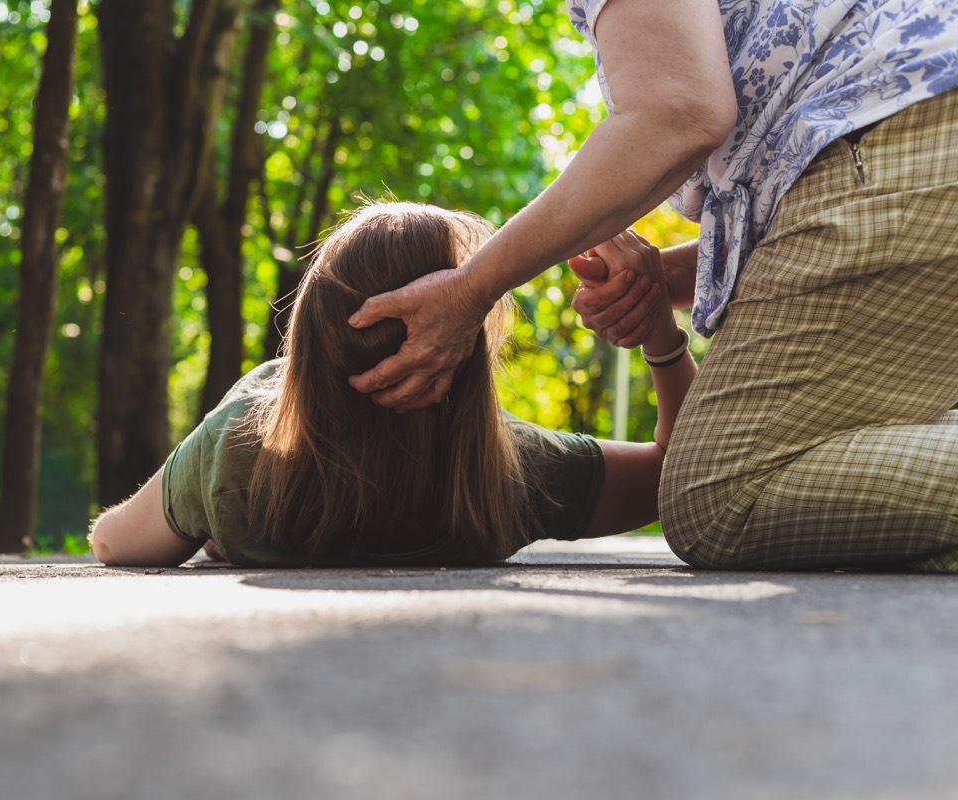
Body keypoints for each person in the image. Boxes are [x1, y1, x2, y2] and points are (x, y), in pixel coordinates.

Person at [345, 1, 958, 572]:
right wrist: (661, 287)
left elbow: (679, 111)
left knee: (718, 499)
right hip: (917, 122)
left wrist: (473, 288)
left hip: (903, 127)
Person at [89, 203, 695, 567]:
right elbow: (680, 475)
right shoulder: (511, 473)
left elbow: (113, 544)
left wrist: (212, 504)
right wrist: (662, 340)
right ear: (464, 352)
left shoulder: (238, 453)